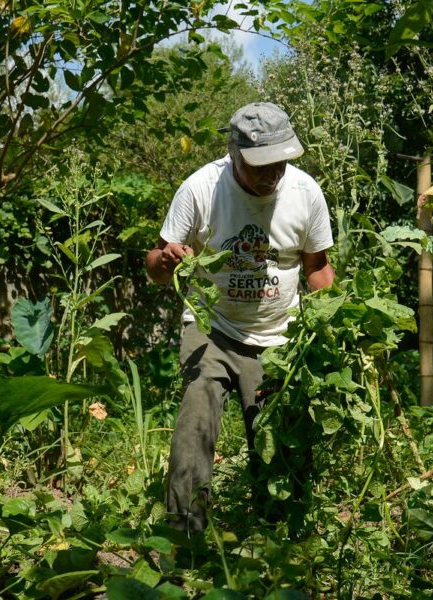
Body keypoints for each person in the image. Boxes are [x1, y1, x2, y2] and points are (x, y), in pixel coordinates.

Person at [146, 102, 335, 533]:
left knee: (278, 442)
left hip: (279, 334)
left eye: (281, 161)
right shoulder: (199, 189)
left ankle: (281, 536)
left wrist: (334, 325)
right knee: (195, 422)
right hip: (212, 327)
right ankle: (184, 533)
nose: (273, 173)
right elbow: (154, 265)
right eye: (261, 165)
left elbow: (317, 267)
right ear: (233, 154)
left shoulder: (306, 193)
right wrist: (167, 261)